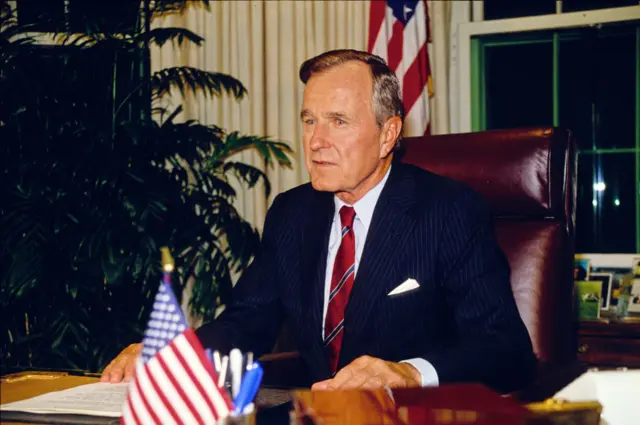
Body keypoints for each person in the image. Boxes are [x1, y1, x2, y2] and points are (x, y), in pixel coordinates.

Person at [101, 49, 536, 393]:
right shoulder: (293, 212)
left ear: (388, 134)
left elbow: (505, 349)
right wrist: (172, 355)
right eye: (310, 120)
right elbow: (246, 322)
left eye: (338, 122)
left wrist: (409, 373)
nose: (316, 141)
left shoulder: (449, 211)